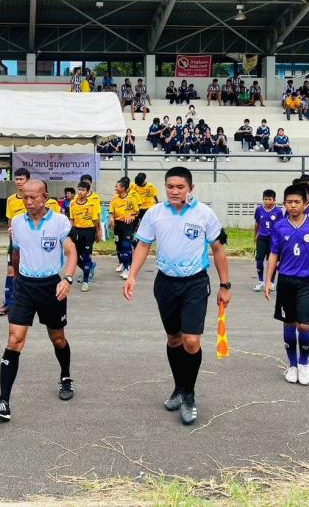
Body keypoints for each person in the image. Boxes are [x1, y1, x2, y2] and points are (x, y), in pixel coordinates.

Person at [123, 166, 230, 425]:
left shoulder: (204, 213)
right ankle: (179, 387)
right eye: (170, 186)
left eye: (180, 187)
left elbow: (218, 249)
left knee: (190, 340)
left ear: (191, 188)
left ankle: (189, 395)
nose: (174, 191)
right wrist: (132, 275)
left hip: (195, 283)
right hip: (165, 284)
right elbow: (143, 244)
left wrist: (225, 285)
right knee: (173, 339)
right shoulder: (154, 213)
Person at [0, 180, 77, 422]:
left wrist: (67, 278)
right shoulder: (17, 222)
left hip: (51, 287)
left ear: (45, 197)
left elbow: (71, 252)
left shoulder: (59, 222)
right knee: (14, 340)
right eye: (25, 197)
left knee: (58, 339)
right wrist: (15, 280)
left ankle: (65, 376)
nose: (28, 202)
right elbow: (16, 252)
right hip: (24, 286)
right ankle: (4, 402)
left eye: (33, 197)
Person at [263, 184, 309, 386]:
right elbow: (274, 254)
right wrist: (268, 280)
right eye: (289, 202)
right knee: (289, 323)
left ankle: (304, 363)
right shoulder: (279, 227)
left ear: (306, 203)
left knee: (304, 325)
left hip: (308, 282)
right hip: (286, 281)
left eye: (297, 202)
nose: (293, 206)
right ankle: (292, 364)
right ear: (284, 204)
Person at [0, 168, 31, 316]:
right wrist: (10, 241)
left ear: (28, 180)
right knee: (11, 270)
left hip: (30, 241)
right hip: (15, 242)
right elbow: (10, 221)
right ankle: (9, 303)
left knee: (28, 270)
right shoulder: (11, 199)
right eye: (16, 179)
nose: (18, 182)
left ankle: (28, 300)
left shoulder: (32, 198)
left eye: (21, 179)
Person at [69, 180, 103, 292]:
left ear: (87, 192)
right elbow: (72, 219)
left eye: (83, 190)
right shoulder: (73, 203)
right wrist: (70, 232)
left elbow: (95, 220)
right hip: (77, 231)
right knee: (75, 256)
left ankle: (85, 281)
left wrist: (98, 232)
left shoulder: (92, 203)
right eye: (79, 189)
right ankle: (88, 267)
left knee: (86, 255)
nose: (80, 192)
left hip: (89, 231)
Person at [108, 177, 141, 280]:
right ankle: (122, 263)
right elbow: (111, 212)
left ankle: (127, 268)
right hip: (117, 225)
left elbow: (137, 211)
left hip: (127, 224)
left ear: (123, 188)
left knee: (126, 245)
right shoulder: (114, 198)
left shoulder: (131, 198)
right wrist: (111, 219)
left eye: (117, 186)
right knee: (118, 246)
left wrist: (130, 214)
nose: (115, 188)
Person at [253, 189, 284, 292]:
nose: (267, 201)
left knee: (272, 260)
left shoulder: (278, 211)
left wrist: (280, 239)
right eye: (265, 199)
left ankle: (271, 282)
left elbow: (280, 226)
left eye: (270, 199)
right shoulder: (259, 210)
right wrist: (255, 235)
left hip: (273, 239)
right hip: (262, 238)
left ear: (274, 200)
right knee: (259, 259)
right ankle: (261, 281)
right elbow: (257, 223)